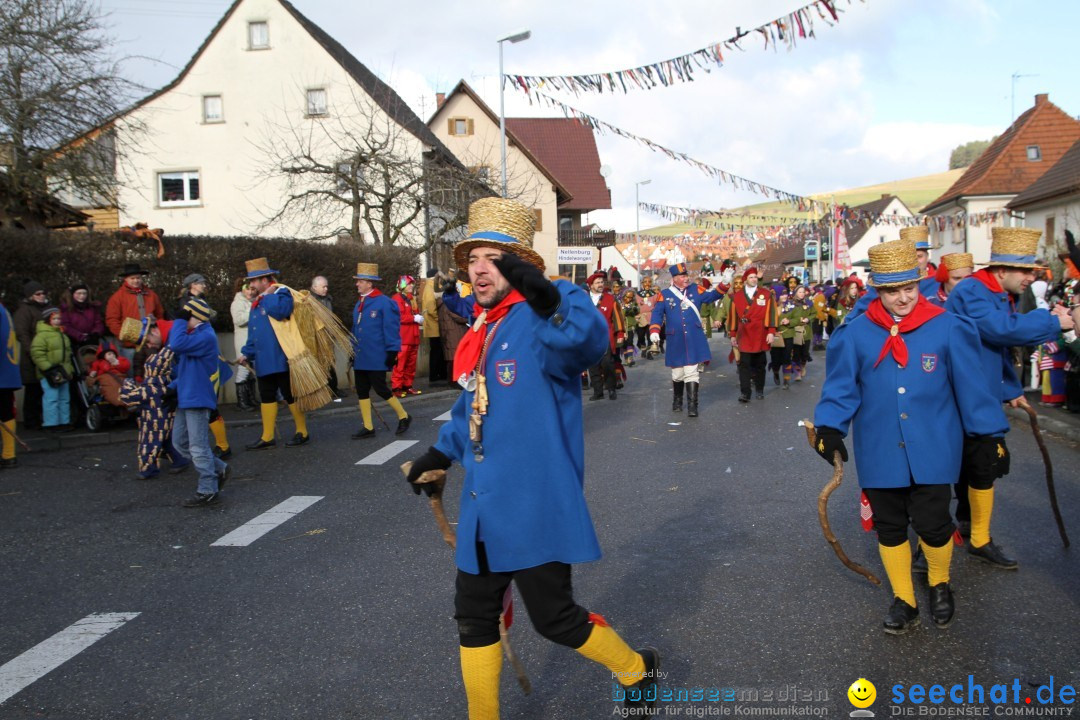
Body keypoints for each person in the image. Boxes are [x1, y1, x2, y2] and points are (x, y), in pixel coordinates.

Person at [404, 197, 659, 718]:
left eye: (491, 257)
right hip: (482, 506)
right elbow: (472, 406)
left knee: (555, 619)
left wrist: (548, 301)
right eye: (472, 258)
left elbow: (588, 342)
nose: (478, 268)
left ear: (519, 265)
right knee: (473, 617)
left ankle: (637, 671)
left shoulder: (543, 316)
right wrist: (439, 453)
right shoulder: (487, 327)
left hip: (534, 505)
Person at [814, 237, 1009, 635]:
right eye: (892, 291)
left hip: (936, 447)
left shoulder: (948, 326)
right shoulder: (854, 334)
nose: (902, 299)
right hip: (881, 447)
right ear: (877, 290)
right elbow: (840, 389)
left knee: (934, 524)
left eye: (909, 288)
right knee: (889, 526)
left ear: (919, 283)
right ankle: (905, 598)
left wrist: (990, 435)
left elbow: (972, 388)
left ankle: (939, 584)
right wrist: (830, 427)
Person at [945, 227, 1075, 569]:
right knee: (963, 467)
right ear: (1002, 270)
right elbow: (1003, 331)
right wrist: (1052, 321)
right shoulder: (973, 291)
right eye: (1026, 270)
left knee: (982, 466)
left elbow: (995, 347)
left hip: (981, 391)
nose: (1032, 277)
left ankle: (978, 536)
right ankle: (940, 540)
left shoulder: (997, 292)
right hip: (963, 394)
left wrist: (1011, 390)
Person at [238, 257, 310, 450]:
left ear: (264, 280)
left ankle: (302, 432)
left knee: (289, 395)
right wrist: (247, 353)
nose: (251, 285)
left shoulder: (282, 293)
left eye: (253, 281)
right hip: (263, 359)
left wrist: (269, 295)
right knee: (267, 395)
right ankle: (267, 436)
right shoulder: (257, 302)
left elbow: (281, 312)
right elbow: (254, 332)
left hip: (281, 356)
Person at [168, 296, 230, 507]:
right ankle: (219, 467)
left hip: (197, 397)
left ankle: (208, 489)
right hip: (187, 396)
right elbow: (187, 370)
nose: (183, 320)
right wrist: (171, 389)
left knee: (198, 446)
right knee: (180, 443)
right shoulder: (196, 334)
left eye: (187, 316)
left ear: (195, 317)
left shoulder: (205, 336)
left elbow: (175, 343)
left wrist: (179, 319)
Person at [117, 316, 189, 480]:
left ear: (154, 331)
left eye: (147, 341)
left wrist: (127, 383)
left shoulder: (175, 338)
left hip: (193, 385)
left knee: (153, 440)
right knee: (167, 436)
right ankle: (181, 459)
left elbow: (188, 368)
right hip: (173, 396)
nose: (149, 346)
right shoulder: (169, 342)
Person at [648, 262, 724, 417]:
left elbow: (712, 296)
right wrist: (654, 330)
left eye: (686, 275)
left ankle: (692, 405)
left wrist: (725, 283)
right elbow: (657, 314)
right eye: (682, 276)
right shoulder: (665, 294)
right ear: (674, 278)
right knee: (677, 374)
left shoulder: (696, 289)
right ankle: (677, 399)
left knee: (692, 372)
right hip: (675, 338)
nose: (686, 278)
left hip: (693, 337)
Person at [349, 263, 411, 438]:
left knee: (381, 389)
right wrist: (351, 351)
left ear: (369, 283)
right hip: (361, 356)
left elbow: (391, 329)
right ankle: (368, 427)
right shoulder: (360, 303)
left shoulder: (385, 303)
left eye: (360, 281)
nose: (357, 284)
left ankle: (404, 416)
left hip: (376, 356)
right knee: (362, 390)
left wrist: (392, 352)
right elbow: (355, 329)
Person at [847, 227, 939, 322]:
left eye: (919, 256)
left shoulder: (940, 281)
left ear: (927, 257)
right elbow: (857, 313)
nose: (914, 261)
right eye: (910, 257)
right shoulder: (887, 282)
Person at [726, 267, 777, 403]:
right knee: (744, 364)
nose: (754, 279)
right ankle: (745, 392)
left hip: (760, 332)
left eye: (755, 277)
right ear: (745, 280)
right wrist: (732, 334)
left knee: (760, 363)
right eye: (751, 277)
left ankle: (759, 389)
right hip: (744, 333)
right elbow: (733, 317)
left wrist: (771, 331)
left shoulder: (765, 294)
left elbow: (772, 313)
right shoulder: (736, 297)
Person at [105, 263, 166, 376]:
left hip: (151, 343)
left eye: (138, 278)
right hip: (130, 344)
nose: (136, 281)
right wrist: (125, 335)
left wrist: (158, 334)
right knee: (133, 373)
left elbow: (160, 315)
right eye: (132, 278)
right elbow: (112, 320)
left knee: (154, 372)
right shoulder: (117, 297)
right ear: (126, 279)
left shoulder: (151, 295)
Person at [30, 307, 75, 432]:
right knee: (51, 398)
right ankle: (50, 423)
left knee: (64, 398)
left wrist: (69, 369)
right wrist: (47, 368)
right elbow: (37, 353)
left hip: (63, 372)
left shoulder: (62, 334)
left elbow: (68, 354)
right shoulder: (42, 335)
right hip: (49, 372)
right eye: (54, 319)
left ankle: (63, 421)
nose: (57, 321)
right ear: (47, 320)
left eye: (59, 318)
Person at [13, 281, 50, 429]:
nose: (41, 296)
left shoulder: (46, 309)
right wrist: (33, 352)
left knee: (45, 390)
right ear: (30, 296)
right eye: (38, 294)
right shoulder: (24, 311)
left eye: (43, 293)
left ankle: (42, 418)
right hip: (32, 356)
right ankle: (31, 420)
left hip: (47, 354)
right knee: (33, 389)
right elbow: (22, 334)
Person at [586, 271, 626, 400]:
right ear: (590, 285)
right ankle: (598, 391)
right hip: (589, 337)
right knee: (592, 365)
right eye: (597, 283)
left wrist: (620, 333)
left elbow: (617, 318)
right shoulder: (583, 299)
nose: (600, 284)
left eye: (602, 282)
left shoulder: (610, 299)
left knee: (607, 363)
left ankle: (611, 388)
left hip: (605, 337)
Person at [309, 275, 342, 399]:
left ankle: (333, 389)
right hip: (317, 337)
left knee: (330, 362)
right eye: (323, 286)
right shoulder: (309, 300)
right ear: (315, 287)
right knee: (319, 364)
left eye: (327, 286)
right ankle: (321, 391)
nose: (326, 289)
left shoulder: (328, 299)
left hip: (328, 336)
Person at [391, 275, 424, 397]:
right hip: (403, 338)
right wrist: (414, 318)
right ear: (403, 286)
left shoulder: (411, 299)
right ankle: (396, 388)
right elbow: (399, 317)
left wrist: (418, 318)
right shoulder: (396, 299)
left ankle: (407, 386)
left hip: (413, 337)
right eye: (409, 284)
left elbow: (413, 315)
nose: (411, 286)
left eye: (412, 284)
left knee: (411, 365)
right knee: (400, 364)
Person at [230, 277, 258, 411]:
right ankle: (242, 402)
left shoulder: (250, 302)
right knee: (243, 370)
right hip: (242, 341)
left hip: (251, 341)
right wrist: (252, 311)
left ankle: (251, 399)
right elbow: (239, 320)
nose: (251, 292)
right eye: (248, 289)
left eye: (253, 289)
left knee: (250, 372)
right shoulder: (237, 303)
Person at [778, 285, 813, 388]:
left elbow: (814, 313)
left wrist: (809, 319)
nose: (802, 294)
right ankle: (797, 371)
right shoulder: (791, 304)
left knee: (805, 352)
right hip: (794, 330)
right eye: (800, 292)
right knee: (796, 352)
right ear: (796, 293)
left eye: (803, 292)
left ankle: (803, 365)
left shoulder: (809, 303)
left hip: (806, 331)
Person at [438, 276, 470, 387]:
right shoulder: (447, 303)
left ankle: (454, 380)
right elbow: (458, 314)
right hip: (453, 332)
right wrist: (470, 319)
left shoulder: (444, 301)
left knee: (453, 357)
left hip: (451, 332)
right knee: (453, 358)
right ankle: (454, 381)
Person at [1, 302, 22, 467]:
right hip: (6, 370)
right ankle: (9, 455)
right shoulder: (3, 310)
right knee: (6, 411)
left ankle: (8, 455)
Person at [85, 341, 131, 407]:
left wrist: (117, 363)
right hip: (105, 377)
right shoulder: (98, 362)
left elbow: (126, 365)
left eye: (113, 354)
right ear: (103, 356)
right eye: (109, 354)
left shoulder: (119, 360)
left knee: (126, 386)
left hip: (119, 376)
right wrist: (92, 373)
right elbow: (94, 369)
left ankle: (129, 401)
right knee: (111, 388)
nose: (112, 356)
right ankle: (120, 402)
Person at [422, 268, 448, 383]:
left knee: (438, 350)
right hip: (434, 325)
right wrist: (439, 319)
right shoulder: (430, 287)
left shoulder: (430, 286)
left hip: (434, 325)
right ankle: (434, 375)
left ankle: (440, 373)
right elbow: (431, 308)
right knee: (436, 351)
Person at [59, 284, 105, 348]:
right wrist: (81, 336)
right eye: (79, 293)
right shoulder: (66, 309)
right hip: (73, 341)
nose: (82, 296)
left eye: (84, 293)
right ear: (72, 294)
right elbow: (66, 325)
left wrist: (95, 334)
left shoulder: (92, 307)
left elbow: (98, 322)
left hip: (92, 340)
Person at [635, 277, 659, 352]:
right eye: (645, 282)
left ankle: (648, 352)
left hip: (650, 317)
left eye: (649, 282)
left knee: (649, 336)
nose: (647, 283)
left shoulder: (654, 294)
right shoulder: (638, 294)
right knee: (641, 335)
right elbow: (635, 305)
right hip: (640, 317)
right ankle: (642, 346)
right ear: (642, 283)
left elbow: (657, 306)